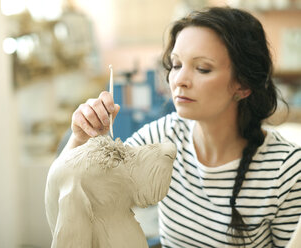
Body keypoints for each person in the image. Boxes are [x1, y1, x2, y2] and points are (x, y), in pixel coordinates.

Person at [58, 7, 301, 247]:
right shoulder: (163, 136)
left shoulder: (285, 170)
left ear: (243, 86)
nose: (180, 81)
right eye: (176, 65)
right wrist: (81, 139)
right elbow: (79, 195)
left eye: (202, 68)